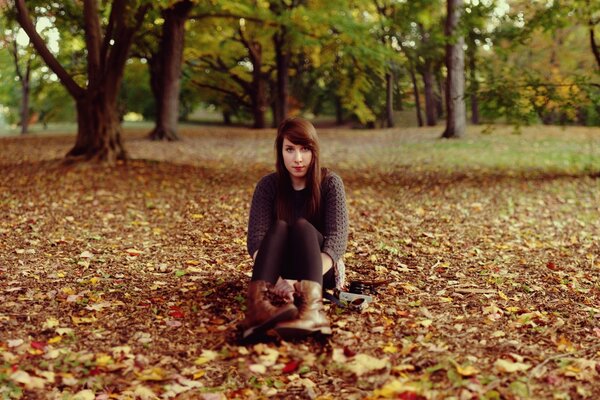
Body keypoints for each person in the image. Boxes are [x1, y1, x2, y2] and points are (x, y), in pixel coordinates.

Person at [241, 117, 349, 341]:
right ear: (280, 151)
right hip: (279, 272)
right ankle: (257, 310)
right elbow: (256, 240)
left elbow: (337, 239)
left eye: (305, 149)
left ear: (314, 151)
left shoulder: (329, 183)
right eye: (290, 149)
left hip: (319, 270)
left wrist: (300, 284)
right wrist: (278, 281)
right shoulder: (267, 186)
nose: (298, 159)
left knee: (302, 227)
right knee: (279, 227)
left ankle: (312, 312)